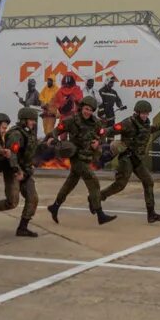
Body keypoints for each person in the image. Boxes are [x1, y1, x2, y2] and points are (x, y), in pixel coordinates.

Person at [46, 96, 116, 225]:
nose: (87, 112)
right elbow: (56, 131)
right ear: (81, 108)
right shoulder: (71, 120)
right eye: (86, 109)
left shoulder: (96, 122)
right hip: (77, 158)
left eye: (90, 110)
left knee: (70, 183)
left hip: (88, 156)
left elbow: (102, 135)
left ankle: (55, 206)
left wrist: (98, 142)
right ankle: (100, 214)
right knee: (93, 182)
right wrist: (54, 140)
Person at [100, 100, 160, 223]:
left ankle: (151, 214)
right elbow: (113, 129)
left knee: (148, 181)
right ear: (137, 112)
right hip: (127, 158)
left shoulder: (145, 124)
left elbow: (150, 129)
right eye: (143, 113)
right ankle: (97, 197)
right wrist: (100, 132)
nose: (145, 116)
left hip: (137, 159)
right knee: (120, 185)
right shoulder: (128, 123)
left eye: (147, 113)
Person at [0, 107, 41, 237]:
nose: (34, 123)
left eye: (34, 120)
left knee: (33, 198)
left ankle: (22, 227)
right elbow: (12, 155)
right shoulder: (16, 134)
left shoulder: (30, 133)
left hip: (25, 171)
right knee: (12, 202)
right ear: (24, 120)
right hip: (13, 170)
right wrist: (17, 170)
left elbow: (30, 151)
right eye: (31, 120)